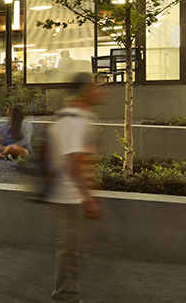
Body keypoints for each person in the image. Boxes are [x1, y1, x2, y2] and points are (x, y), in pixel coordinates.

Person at [47, 72, 104, 303]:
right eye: (95, 86)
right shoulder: (72, 121)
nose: (100, 90)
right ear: (84, 91)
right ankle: (65, 298)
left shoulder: (75, 117)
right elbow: (73, 162)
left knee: (72, 250)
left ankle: (67, 295)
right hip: (67, 196)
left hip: (69, 195)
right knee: (69, 251)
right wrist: (88, 196)